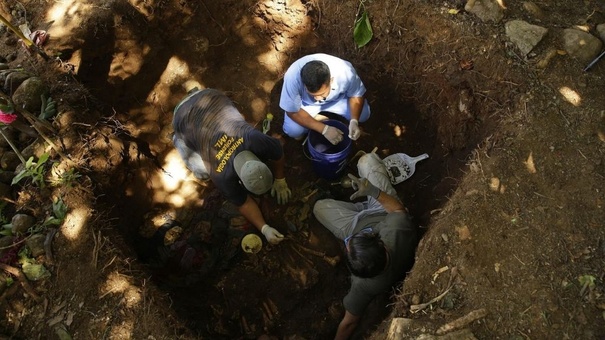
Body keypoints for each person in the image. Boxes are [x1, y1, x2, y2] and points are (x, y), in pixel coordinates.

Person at [313, 152, 419, 339]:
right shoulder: (396, 231)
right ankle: (365, 200)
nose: (347, 245)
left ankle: (357, 208)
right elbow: (397, 209)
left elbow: (349, 323)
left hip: (354, 223)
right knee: (367, 160)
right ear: (379, 242)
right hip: (383, 210)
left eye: (348, 244)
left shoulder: (363, 287)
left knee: (319, 208)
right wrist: (373, 192)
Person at [172, 88, 291, 245]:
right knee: (202, 173)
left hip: (210, 97)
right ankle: (177, 137)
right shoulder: (219, 174)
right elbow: (244, 203)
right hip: (182, 114)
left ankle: (194, 99)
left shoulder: (254, 138)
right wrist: (264, 228)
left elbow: (278, 152)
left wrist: (280, 178)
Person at [279, 53, 371, 145]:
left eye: (322, 94)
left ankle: (313, 118)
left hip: (337, 100)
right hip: (307, 105)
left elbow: (356, 94)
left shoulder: (345, 72)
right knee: (294, 131)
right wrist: (323, 129)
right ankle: (314, 118)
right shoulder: (292, 78)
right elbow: (292, 112)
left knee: (363, 114)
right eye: (313, 95)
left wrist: (354, 121)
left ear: (331, 80)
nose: (318, 99)